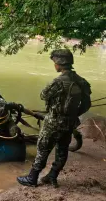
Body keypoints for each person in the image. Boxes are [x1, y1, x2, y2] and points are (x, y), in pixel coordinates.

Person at [17, 49, 91, 188]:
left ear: (59, 63)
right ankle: (52, 176)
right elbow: (87, 104)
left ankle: (32, 178)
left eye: (54, 62)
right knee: (62, 150)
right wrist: (73, 114)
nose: (54, 65)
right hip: (69, 123)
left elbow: (43, 95)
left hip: (53, 123)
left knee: (43, 149)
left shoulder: (57, 82)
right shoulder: (82, 82)